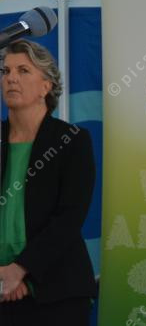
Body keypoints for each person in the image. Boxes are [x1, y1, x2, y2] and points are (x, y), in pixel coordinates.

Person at [0, 39, 97, 326]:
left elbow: (70, 217)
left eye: (23, 71)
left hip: (57, 293)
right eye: (6, 71)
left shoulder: (72, 140)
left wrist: (20, 270)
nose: (11, 78)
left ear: (46, 86)